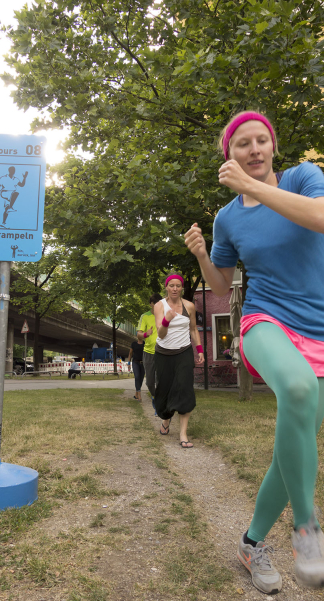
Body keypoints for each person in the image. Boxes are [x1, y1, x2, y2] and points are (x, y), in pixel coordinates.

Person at [184, 110, 324, 594]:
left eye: (262, 140)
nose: (255, 149)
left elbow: (321, 218)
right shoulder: (227, 218)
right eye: (243, 143)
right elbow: (221, 285)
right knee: (300, 390)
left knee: (296, 448)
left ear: (274, 146)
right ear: (230, 154)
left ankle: (250, 544)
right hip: (264, 320)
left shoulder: (305, 177)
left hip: (319, 328)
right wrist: (203, 254)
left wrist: (255, 188)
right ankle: (307, 530)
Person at [154, 274, 204, 448]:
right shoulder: (160, 306)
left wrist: (199, 350)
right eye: (171, 285)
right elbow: (160, 333)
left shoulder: (189, 306)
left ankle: (183, 434)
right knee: (164, 390)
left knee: (184, 389)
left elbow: (193, 329)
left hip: (183, 352)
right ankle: (166, 420)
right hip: (163, 354)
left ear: (182, 288)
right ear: (166, 287)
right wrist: (167, 320)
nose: (175, 288)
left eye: (178, 285)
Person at [137, 293, 163, 411]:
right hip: (148, 353)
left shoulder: (164, 315)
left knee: (160, 381)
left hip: (162, 352)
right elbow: (139, 335)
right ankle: (154, 396)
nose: (156, 307)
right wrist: (146, 334)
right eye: (154, 305)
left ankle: (160, 403)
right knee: (150, 383)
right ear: (150, 305)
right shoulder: (145, 316)